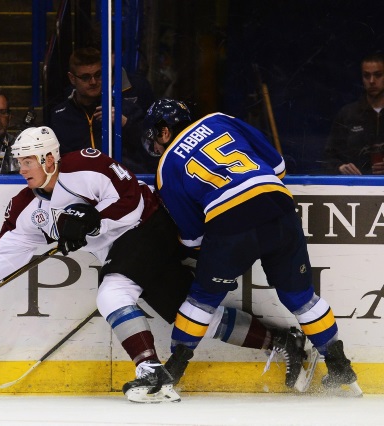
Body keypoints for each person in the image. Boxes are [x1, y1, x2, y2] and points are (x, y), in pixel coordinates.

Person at [0, 126, 314, 404]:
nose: (21, 169)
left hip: (150, 226)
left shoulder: (86, 165)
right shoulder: (26, 207)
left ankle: (152, 372)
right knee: (194, 317)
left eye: (27, 161)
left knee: (113, 291)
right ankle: (285, 342)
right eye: (19, 162)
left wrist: (92, 219)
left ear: (48, 159)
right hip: (124, 253)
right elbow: (10, 248)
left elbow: (131, 199)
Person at [150, 99, 361, 395]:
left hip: (230, 224)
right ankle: (341, 368)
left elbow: (193, 236)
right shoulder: (219, 118)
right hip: (278, 205)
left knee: (201, 300)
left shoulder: (167, 164)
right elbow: (278, 166)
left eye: (154, 134)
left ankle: (172, 371)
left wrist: (213, 255)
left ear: (163, 131)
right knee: (301, 295)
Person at [48, 47, 151, 174]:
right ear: (72, 78)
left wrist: (125, 123)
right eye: (85, 77)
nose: (93, 82)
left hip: (122, 186)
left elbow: (151, 147)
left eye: (98, 75)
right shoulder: (60, 115)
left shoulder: (125, 108)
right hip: (78, 187)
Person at [325, 52, 384, 175]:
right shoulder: (348, 115)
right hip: (355, 188)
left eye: (378, 75)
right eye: (366, 76)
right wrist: (340, 168)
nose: (372, 81)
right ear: (362, 78)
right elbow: (328, 158)